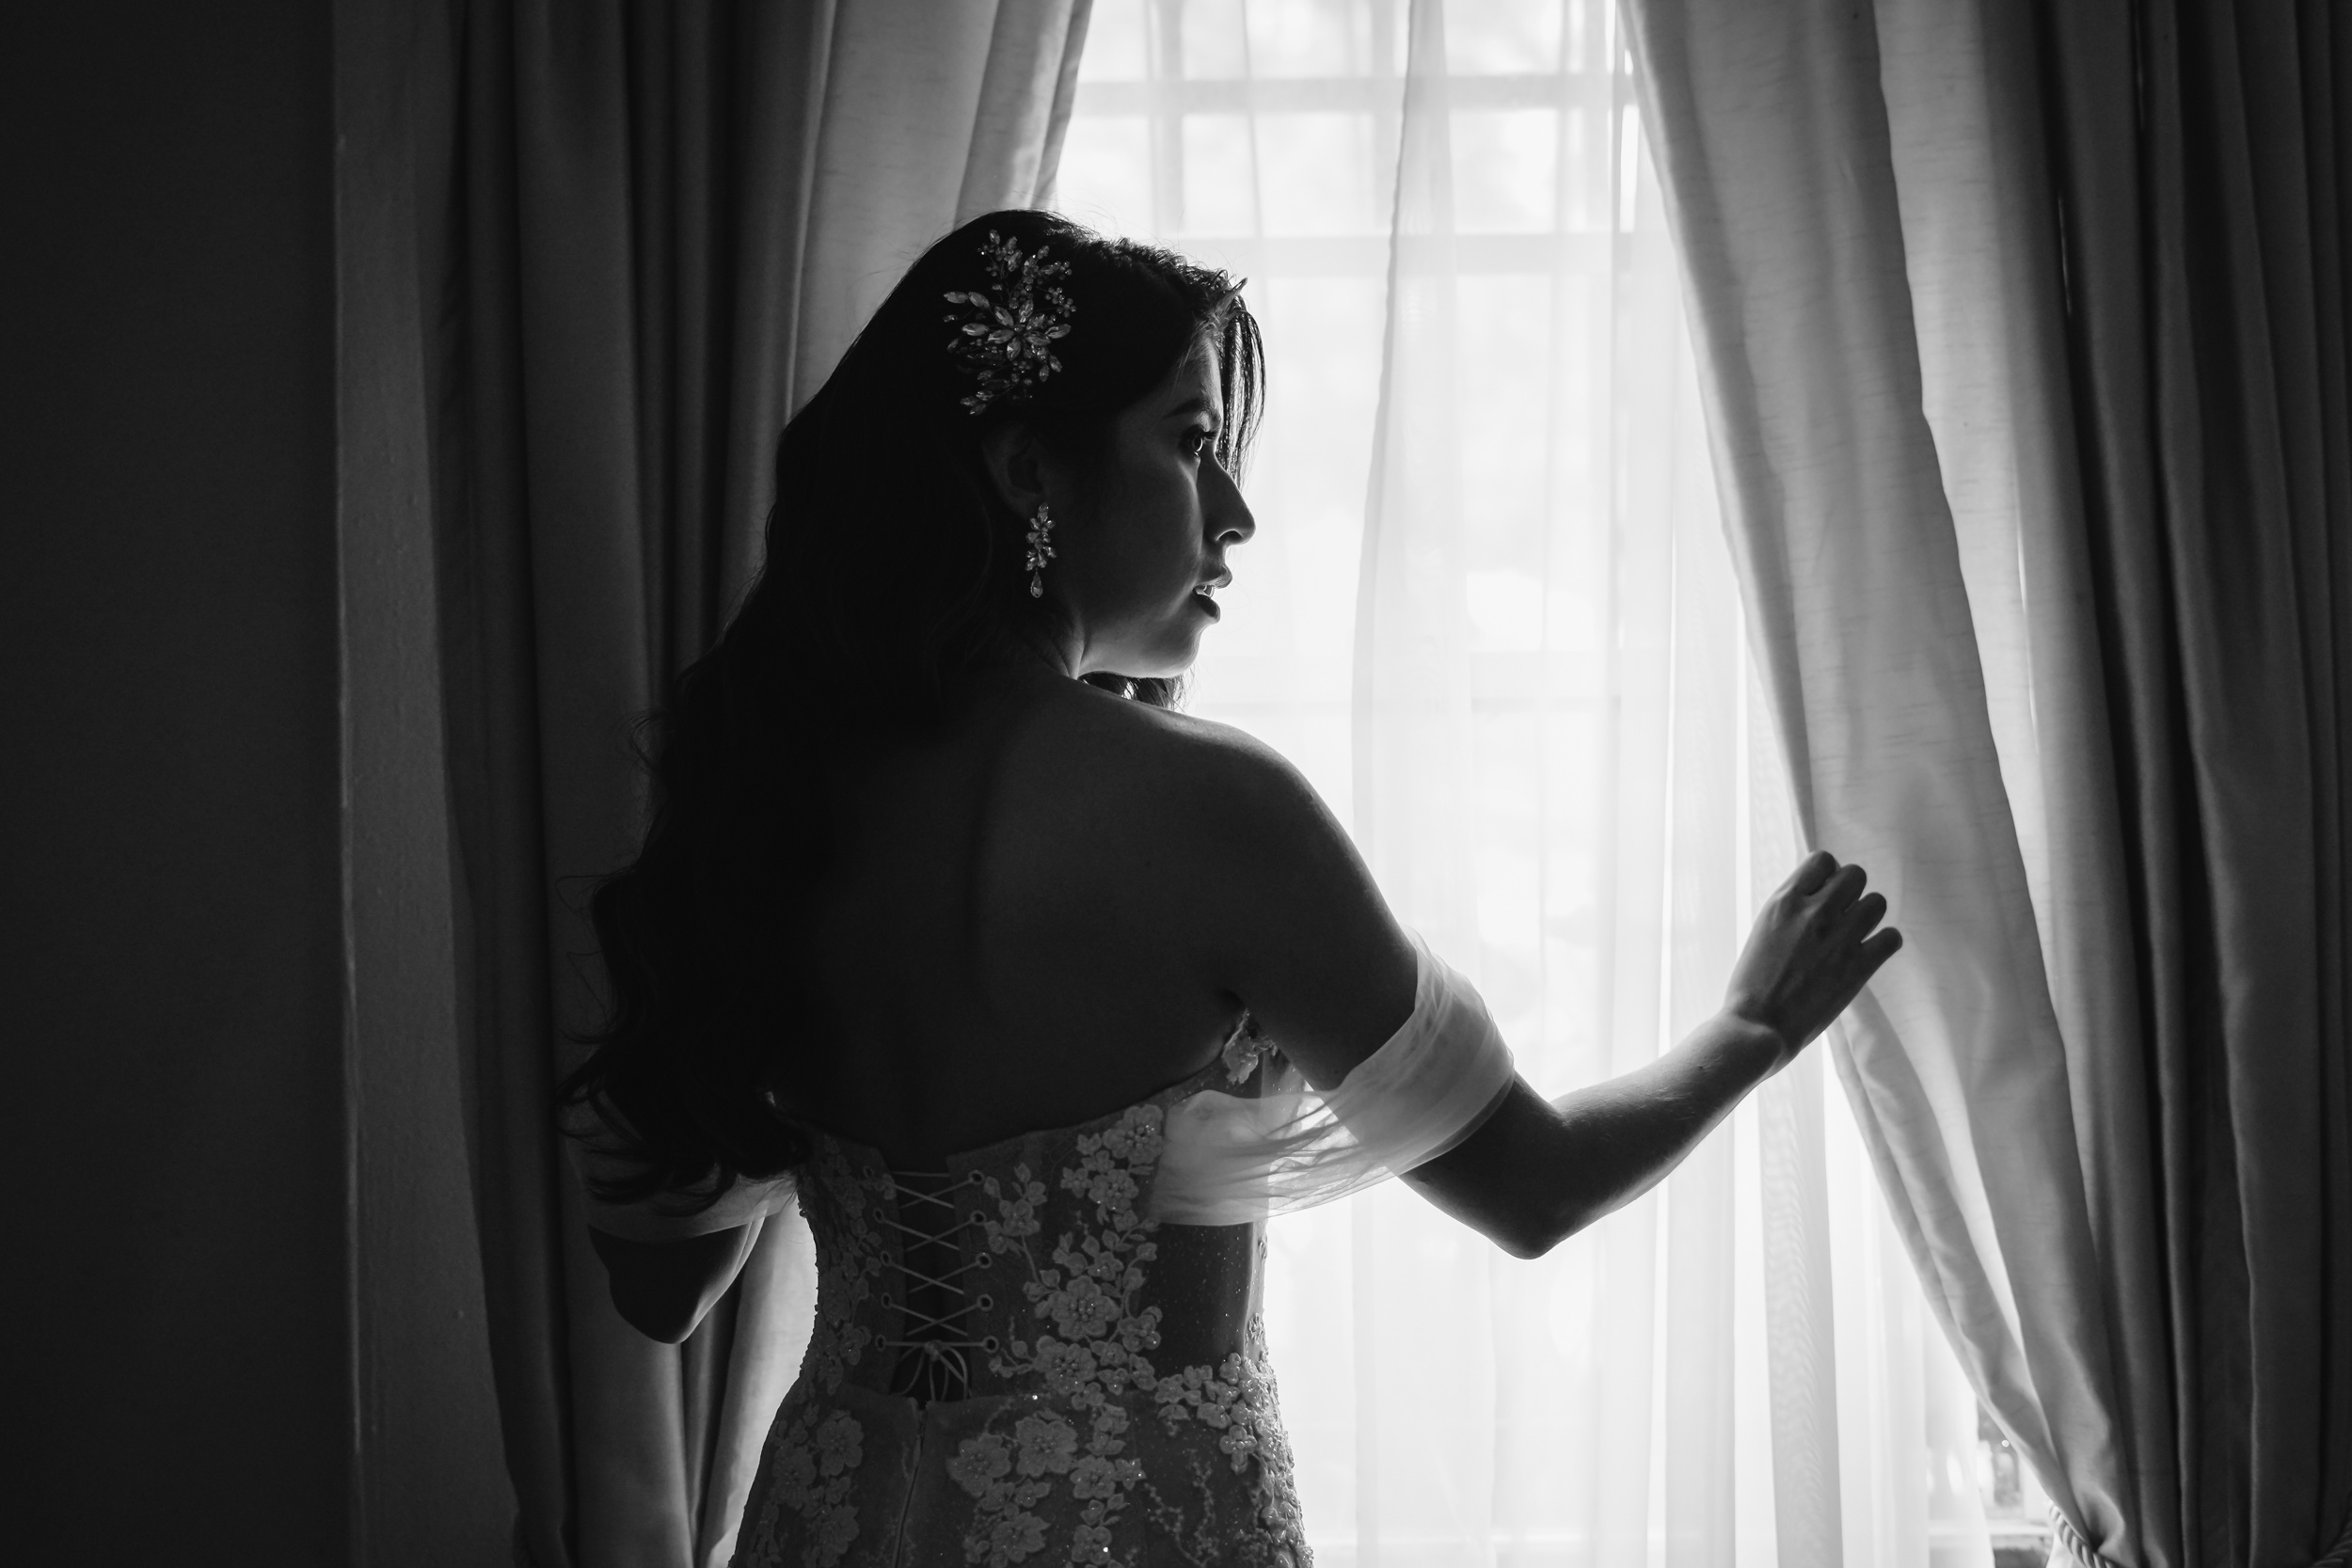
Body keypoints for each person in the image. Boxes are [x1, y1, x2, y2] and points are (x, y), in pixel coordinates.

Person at [562, 209, 1901, 1568]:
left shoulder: (761, 807)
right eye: (1192, 443)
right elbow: (1532, 1188)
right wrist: (1752, 1031)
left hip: (831, 1523)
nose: (1238, 511)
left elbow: (663, 1287)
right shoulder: (1209, 810)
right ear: (1032, 469)